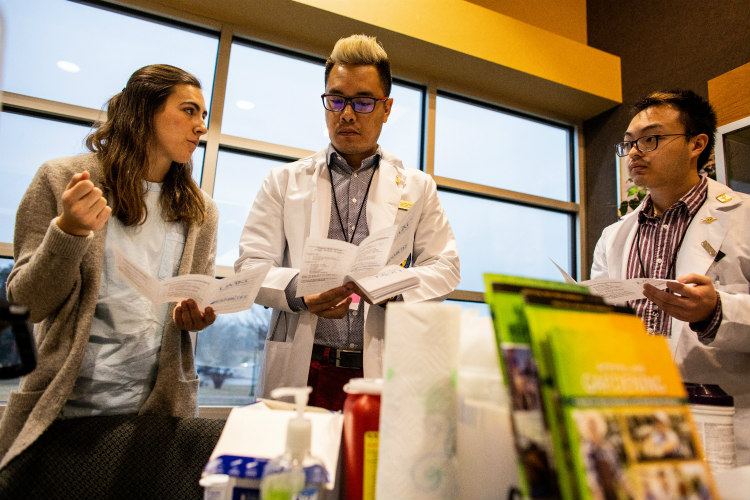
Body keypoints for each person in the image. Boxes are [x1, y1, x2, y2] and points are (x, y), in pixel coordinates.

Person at [0, 64, 219, 469]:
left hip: (154, 418)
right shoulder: (62, 179)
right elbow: (26, 304)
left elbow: (192, 302)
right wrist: (68, 230)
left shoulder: (200, 211)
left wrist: (195, 318)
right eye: (189, 111)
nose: (201, 126)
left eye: (203, 115)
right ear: (143, 111)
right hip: (61, 411)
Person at [236, 34, 460, 410]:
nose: (347, 114)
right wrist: (300, 292)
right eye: (336, 99)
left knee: (369, 468)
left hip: (380, 371)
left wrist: (395, 289)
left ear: (387, 108)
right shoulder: (283, 182)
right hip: (305, 367)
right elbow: (250, 268)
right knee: (297, 466)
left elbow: (446, 266)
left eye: (363, 102)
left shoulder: (417, 187)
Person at [590, 89, 750, 466]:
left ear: (697, 144)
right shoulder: (614, 237)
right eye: (629, 143)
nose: (634, 152)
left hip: (726, 426)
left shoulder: (744, 218)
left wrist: (717, 311)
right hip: (636, 422)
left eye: (651, 139)